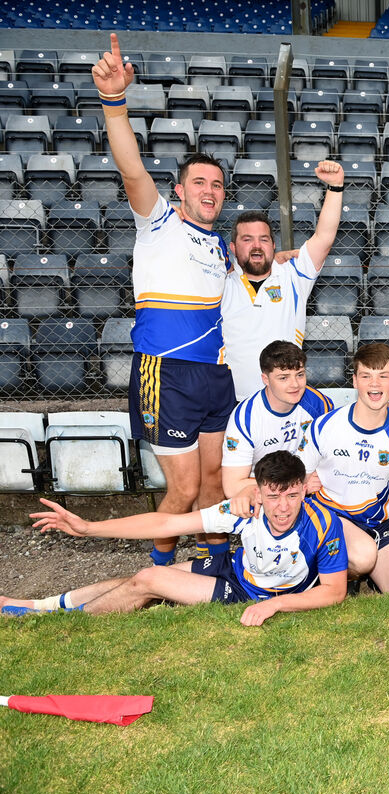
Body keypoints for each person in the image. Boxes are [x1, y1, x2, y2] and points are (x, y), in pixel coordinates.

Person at [93, 33, 235, 566]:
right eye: (199, 182)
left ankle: (215, 567)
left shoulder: (219, 245)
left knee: (214, 481)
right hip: (166, 372)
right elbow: (131, 168)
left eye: (218, 185)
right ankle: (157, 571)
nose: (209, 190)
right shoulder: (158, 222)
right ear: (180, 190)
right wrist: (114, 102)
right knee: (181, 489)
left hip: (214, 376)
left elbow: (262, 266)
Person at [3, 452, 347, 626]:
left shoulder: (322, 524)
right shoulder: (246, 507)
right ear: (257, 491)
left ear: (304, 487)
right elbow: (167, 522)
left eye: (291, 495)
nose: (283, 507)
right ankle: (38, 605)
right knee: (132, 581)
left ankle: (52, 621)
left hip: (251, 591)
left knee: (149, 579)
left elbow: (335, 591)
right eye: (273, 497)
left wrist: (275, 604)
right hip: (237, 567)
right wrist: (88, 528)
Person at [305, 343, 389, 608]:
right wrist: (304, 481)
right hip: (328, 518)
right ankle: (333, 574)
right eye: (366, 376)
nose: (375, 385)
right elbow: (294, 481)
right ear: (354, 381)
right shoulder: (325, 426)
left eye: (383, 376)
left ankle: (357, 572)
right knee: (363, 556)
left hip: (376, 524)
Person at [220, 161, 345, 401]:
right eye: (248, 239)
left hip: (283, 400)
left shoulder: (294, 275)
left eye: (264, 239)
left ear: (273, 245)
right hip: (230, 399)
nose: (257, 245)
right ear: (233, 248)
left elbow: (324, 237)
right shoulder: (219, 280)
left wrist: (336, 187)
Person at [221, 341, 333, 503]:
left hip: (309, 488)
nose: (295, 385)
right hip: (264, 494)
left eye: (300, 374)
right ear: (265, 379)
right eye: (283, 378)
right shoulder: (246, 418)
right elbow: (232, 486)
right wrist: (298, 484)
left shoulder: (319, 403)